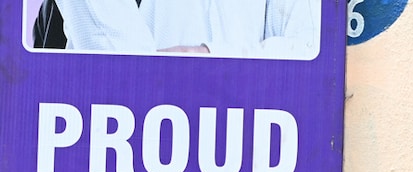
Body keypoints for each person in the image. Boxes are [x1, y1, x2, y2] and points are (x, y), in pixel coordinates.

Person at [50, 0, 319, 59]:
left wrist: (209, 56)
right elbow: (122, 69)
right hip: (127, 151)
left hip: (246, 150)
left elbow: (311, 50)